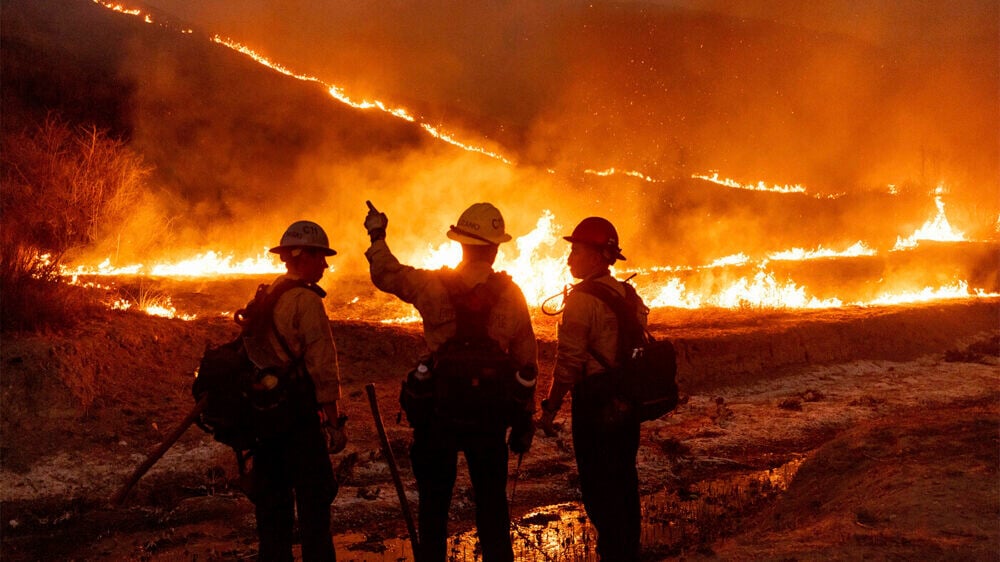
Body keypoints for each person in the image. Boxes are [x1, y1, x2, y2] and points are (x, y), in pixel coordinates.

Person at [364, 201, 538, 562]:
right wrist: (524, 423)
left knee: (433, 508)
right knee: (492, 507)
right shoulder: (512, 295)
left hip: (438, 416)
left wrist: (377, 234)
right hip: (489, 420)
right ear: (494, 248)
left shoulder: (431, 285)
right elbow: (527, 365)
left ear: (460, 243)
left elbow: (386, 273)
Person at [538, 216, 649, 561]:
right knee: (624, 480)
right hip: (627, 403)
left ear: (599, 256)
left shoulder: (582, 301)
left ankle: (613, 553)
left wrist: (550, 409)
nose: (569, 258)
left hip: (596, 405)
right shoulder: (628, 294)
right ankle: (627, 551)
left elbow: (568, 364)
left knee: (599, 486)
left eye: (576, 251)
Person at [244, 220, 347, 562]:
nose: (326, 265)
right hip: (299, 422)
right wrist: (333, 422)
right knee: (315, 509)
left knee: (273, 515)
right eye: (322, 257)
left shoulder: (270, 292)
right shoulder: (306, 301)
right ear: (304, 256)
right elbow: (322, 365)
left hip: (266, 421)